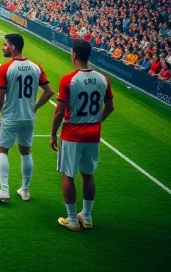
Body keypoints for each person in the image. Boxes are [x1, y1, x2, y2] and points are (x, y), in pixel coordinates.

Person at [51, 39, 114, 231]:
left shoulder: (68, 80)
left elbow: (59, 112)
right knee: (88, 175)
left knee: (68, 176)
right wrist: (96, 120)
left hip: (72, 133)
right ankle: (86, 217)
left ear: (74, 55)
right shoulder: (103, 78)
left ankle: (71, 219)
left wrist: (53, 134)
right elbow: (110, 107)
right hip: (93, 134)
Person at [0, 33, 53, 202]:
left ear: (13, 47)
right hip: (29, 117)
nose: (2, 47)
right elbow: (49, 92)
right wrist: (35, 107)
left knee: (2, 150)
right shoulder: (35, 67)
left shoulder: (5, 68)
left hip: (11, 116)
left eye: (5, 44)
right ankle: (25, 190)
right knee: (26, 152)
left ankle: (4, 190)